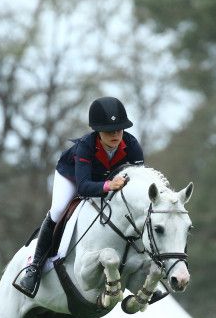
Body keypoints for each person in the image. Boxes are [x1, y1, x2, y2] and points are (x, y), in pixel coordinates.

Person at [13, 96, 145, 297]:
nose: (115, 135)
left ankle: (143, 268)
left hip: (106, 181)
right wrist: (109, 185)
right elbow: (83, 187)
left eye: (119, 130)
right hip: (72, 177)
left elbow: (139, 181)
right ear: (98, 131)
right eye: (109, 131)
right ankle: (34, 269)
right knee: (58, 210)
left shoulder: (132, 145)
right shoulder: (86, 145)